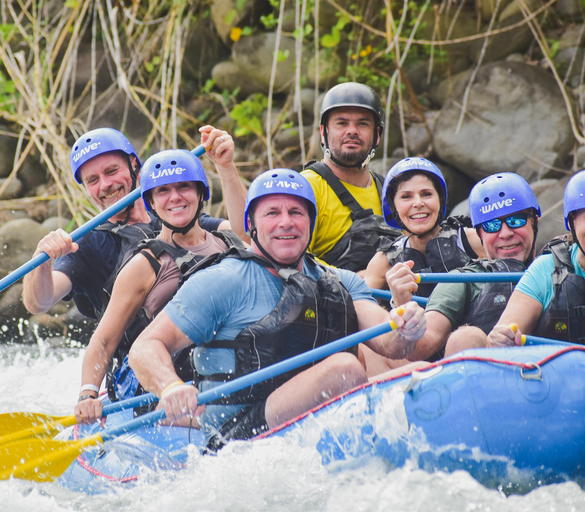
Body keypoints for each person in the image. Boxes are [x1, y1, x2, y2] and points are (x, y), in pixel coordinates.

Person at [129, 169, 426, 449]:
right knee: (344, 369)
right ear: (251, 226)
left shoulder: (340, 281)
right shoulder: (221, 280)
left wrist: (405, 322)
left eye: (296, 212)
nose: (286, 222)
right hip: (238, 433)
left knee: (422, 371)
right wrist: (169, 387)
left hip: (316, 418)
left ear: (310, 221)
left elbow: (391, 344)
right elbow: (145, 347)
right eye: (272, 213)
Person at [22, 127, 246, 402]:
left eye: (112, 171)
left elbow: (246, 234)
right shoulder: (88, 246)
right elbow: (38, 303)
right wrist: (41, 261)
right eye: (93, 180)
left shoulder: (177, 216)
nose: (105, 185)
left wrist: (225, 166)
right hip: (146, 375)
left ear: (135, 167)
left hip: (213, 358)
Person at [73, 148, 244, 425]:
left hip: (229, 371)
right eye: (163, 190)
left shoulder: (226, 239)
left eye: (184, 187)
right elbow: (103, 341)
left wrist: (225, 166)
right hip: (167, 388)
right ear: (150, 202)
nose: (175, 197)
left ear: (201, 194)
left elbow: (252, 228)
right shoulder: (144, 265)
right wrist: (87, 395)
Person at [362, 172, 541, 373]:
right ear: (481, 234)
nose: (505, 233)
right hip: (478, 376)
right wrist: (403, 306)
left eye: (516, 220)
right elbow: (420, 346)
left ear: (534, 221)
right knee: (465, 337)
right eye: (492, 225)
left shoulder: (555, 267)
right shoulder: (460, 279)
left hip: (554, 375)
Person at [301, 82, 401, 273]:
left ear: (377, 135)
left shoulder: (390, 191)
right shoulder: (307, 187)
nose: (352, 131)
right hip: (331, 299)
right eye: (342, 123)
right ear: (323, 133)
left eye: (362, 123)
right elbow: (294, 263)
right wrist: (363, 280)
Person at [485, 169, 585, 348]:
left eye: (516, 221)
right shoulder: (546, 269)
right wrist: (500, 339)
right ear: (572, 222)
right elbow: (502, 333)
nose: (506, 233)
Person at [364, 157, 485, 299]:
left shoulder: (474, 240)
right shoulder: (383, 261)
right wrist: (396, 303)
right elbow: (362, 308)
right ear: (393, 207)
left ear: (440, 199)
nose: (418, 203)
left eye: (426, 194)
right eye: (406, 196)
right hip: (413, 320)